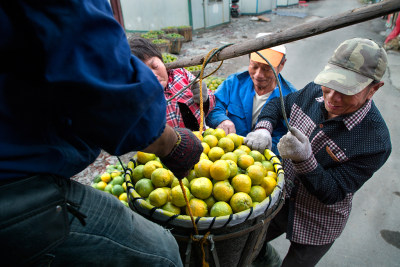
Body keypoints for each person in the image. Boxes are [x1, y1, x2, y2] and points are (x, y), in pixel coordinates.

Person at [0, 1, 203, 266]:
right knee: (161, 252)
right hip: (15, 183)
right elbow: (105, 80)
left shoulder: (182, 79)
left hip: (20, 161)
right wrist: (170, 143)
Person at [248, 38, 392, 266]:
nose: (332, 98)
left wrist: (305, 159)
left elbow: (333, 192)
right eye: (331, 84)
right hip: (279, 201)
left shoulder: (375, 141)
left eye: (347, 90)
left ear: (374, 88)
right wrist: (264, 128)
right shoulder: (313, 92)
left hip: (318, 221)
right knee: (248, 249)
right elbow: (278, 105)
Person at [206, 33, 296, 154]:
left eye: (266, 68)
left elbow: (289, 139)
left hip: (264, 162)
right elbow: (214, 106)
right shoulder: (234, 83)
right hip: (229, 153)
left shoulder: (290, 97)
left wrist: (268, 144)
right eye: (254, 66)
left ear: (282, 65)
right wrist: (221, 120)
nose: (258, 75)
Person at [129, 37, 216, 131]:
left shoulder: (181, 74)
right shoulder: (140, 99)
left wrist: (205, 98)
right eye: (144, 73)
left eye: (155, 66)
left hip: (203, 139)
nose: (153, 75)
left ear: (162, 61)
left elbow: (211, 105)